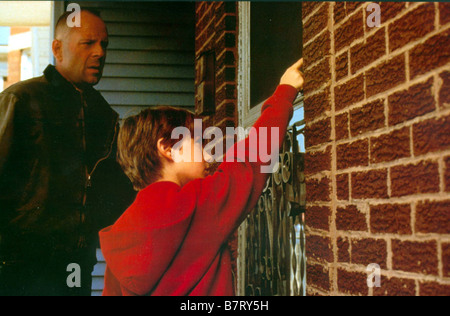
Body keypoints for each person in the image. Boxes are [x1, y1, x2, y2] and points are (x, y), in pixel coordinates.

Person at [99, 58, 305, 296]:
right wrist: (285, 92)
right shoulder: (198, 203)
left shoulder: (122, 233)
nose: (207, 152)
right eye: (198, 141)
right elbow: (250, 161)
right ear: (168, 148)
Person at [0, 9, 135, 296]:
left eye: (104, 44)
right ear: (57, 49)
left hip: (75, 266)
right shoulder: (22, 100)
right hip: (18, 266)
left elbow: (118, 196)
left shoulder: (104, 115)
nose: (100, 52)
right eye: (88, 43)